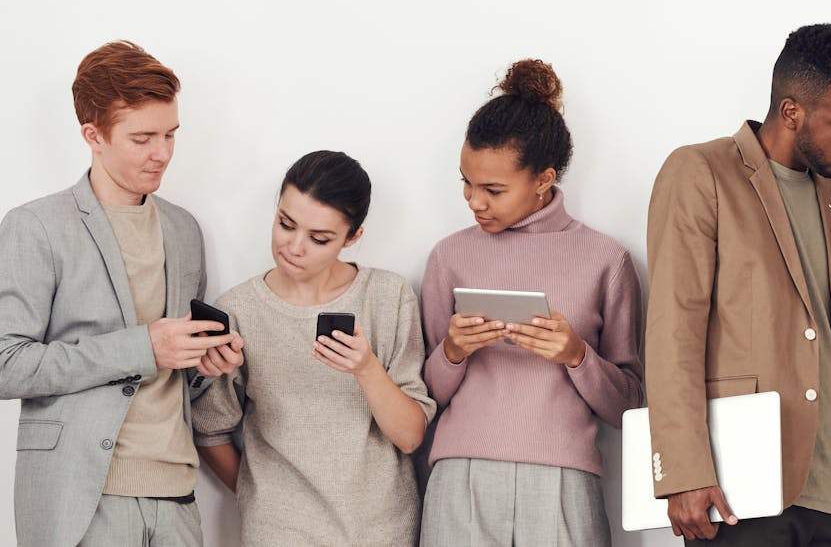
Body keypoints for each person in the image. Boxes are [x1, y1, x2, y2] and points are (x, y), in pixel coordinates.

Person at [0, 41, 243, 547]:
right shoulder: (37, 227)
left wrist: (206, 364)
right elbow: (7, 363)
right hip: (83, 499)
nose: (163, 153)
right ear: (93, 135)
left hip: (177, 498)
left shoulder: (183, 229)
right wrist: (142, 346)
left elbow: (177, 376)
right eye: (143, 138)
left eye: (171, 134)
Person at [645, 24, 831, 545]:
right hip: (740, 487)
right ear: (791, 111)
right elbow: (672, 331)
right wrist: (683, 472)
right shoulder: (700, 172)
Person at [420, 59, 643, 547]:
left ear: (543, 179)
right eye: (466, 182)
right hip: (461, 478)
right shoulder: (449, 256)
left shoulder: (606, 259)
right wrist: (453, 352)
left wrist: (577, 355)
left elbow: (630, 404)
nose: (474, 202)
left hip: (564, 480)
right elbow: (425, 397)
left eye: (493, 190)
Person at [192, 150, 435, 545]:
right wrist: (265, 503)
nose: (294, 246)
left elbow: (409, 437)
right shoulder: (238, 311)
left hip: (381, 531)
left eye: (319, 238)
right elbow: (210, 432)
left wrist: (367, 369)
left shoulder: (388, 298)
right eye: (285, 224)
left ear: (353, 237)